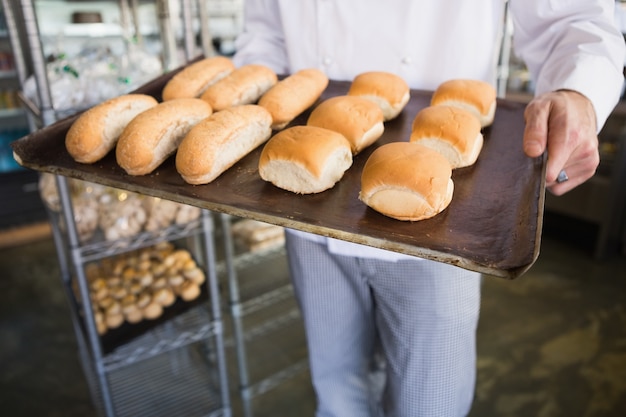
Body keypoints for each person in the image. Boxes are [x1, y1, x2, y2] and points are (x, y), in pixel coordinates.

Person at [232, 1, 626, 416]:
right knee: (335, 385)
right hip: (307, 218)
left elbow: (571, 17)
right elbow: (265, 37)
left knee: (429, 402)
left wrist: (578, 90)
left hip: (442, 234)